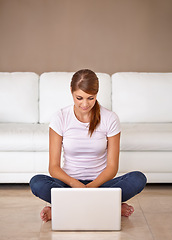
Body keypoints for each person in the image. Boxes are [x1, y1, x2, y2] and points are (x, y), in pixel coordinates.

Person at [30, 69, 147, 222]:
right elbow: (53, 167)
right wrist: (76, 185)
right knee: (37, 182)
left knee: (138, 178)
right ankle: (109, 207)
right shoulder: (60, 117)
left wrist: (90, 189)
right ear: (71, 91)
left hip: (101, 185)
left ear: (97, 94)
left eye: (90, 98)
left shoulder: (110, 118)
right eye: (79, 98)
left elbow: (112, 167)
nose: (85, 104)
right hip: (69, 185)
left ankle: (62, 209)